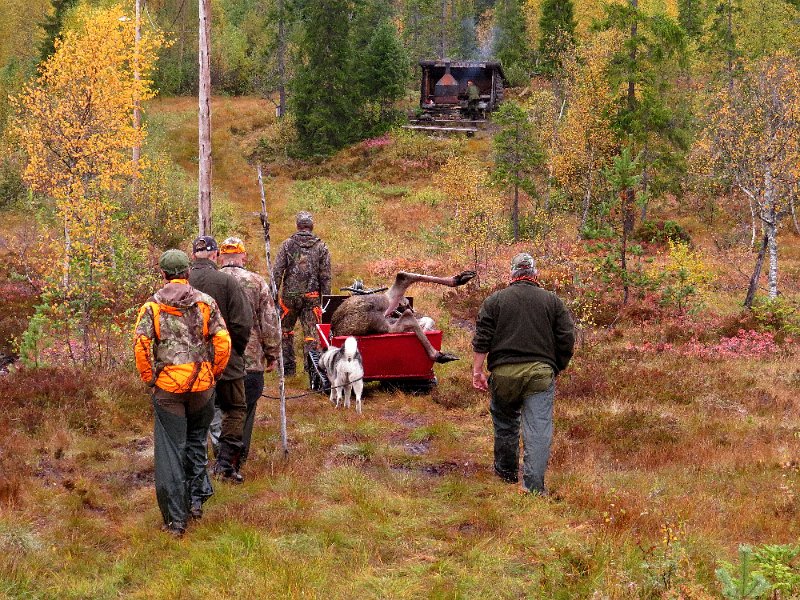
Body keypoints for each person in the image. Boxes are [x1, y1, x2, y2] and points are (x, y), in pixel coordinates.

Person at [133, 249, 231, 536]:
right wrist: (214, 372)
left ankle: (176, 521)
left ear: (163, 274)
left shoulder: (152, 307)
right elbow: (223, 341)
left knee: (170, 453)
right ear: (187, 272)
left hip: (169, 390)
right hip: (201, 386)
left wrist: (151, 377)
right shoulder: (206, 303)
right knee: (196, 442)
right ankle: (197, 502)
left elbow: (140, 344)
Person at [471, 253, 575, 495]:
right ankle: (533, 487)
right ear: (535, 274)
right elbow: (567, 339)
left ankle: (506, 473)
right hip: (540, 373)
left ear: (512, 274)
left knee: (506, 422)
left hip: (503, 373)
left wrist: (477, 371)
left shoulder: (494, 301)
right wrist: (555, 366)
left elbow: (482, 339)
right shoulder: (553, 301)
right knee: (538, 429)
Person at [189, 236, 253, 483]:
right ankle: (225, 465)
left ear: (193, 255)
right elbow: (241, 323)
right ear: (215, 255)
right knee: (236, 408)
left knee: (194, 413)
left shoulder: (184, 284)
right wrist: (234, 350)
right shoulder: (226, 282)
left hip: (189, 363)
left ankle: (195, 468)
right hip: (226, 360)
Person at [217, 237, 280, 468]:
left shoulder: (213, 282)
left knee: (217, 408)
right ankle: (236, 459)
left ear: (220, 257)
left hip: (216, 359)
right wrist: (272, 353)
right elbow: (269, 320)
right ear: (243, 256)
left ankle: (217, 453)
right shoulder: (257, 282)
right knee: (246, 410)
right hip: (250, 361)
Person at [273, 211, 331, 376]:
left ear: (298, 226)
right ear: (311, 226)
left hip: (289, 297)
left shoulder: (287, 245)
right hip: (312, 298)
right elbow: (326, 277)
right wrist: (325, 301)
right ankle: (312, 371)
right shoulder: (321, 247)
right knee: (311, 335)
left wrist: (273, 294)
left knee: (285, 331)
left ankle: (287, 370)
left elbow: (277, 271)